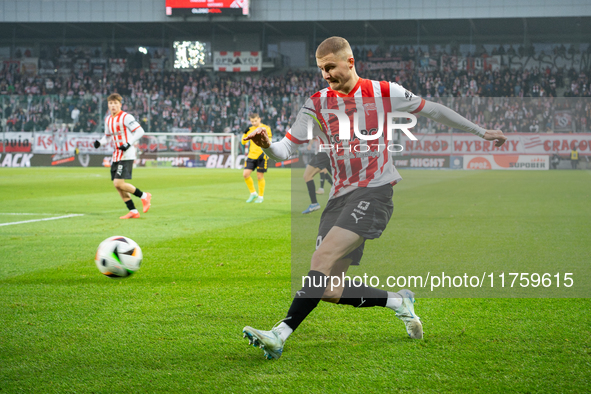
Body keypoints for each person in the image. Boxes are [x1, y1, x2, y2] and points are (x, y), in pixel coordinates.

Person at [242, 37, 507, 360]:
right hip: (339, 198)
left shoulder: (384, 92)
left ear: (350, 62)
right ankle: (398, 301)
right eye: (321, 69)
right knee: (328, 289)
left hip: (375, 191)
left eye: (330, 67)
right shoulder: (315, 104)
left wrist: (482, 132)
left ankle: (279, 335)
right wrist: (267, 144)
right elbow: (286, 149)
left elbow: (434, 110)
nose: (325, 74)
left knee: (319, 261)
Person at [94, 93, 151, 219]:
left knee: (118, 183)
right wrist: (100, 142)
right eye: (110, 103)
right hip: (116, 155)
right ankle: (133, 211)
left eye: (115, 103)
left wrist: (128, 143)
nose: (113, 106)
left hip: (127, 154)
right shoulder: (108, 119)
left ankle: (144, 196)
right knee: (118, 186)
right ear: (108, 105)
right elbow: (108, 137)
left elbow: (140, 131)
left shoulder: (126, 117)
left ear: (120, 104)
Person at [241, 113, 272, 203]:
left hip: (262, 155)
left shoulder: (266, 128)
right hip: (251, 155)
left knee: (259, 176)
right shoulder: (250, 129)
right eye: (252, 121)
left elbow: (269, 141)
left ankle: (260, 196)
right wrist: (245, 133)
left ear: (259, 119)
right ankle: (253, 193)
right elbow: (243, 142)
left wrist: (266, 151)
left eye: (255, 121)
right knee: (245, 174)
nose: (254, 123)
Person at [302, 138, 333, 214]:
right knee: (339, 177)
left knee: (307, 176)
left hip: (324, 152)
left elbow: (314, 134)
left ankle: (314, 203)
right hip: (330, 151)